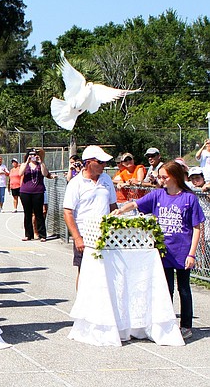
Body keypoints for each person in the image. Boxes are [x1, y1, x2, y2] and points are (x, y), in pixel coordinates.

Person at [112, 161, 204, 340]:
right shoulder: (158, 195)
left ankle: (186, 325)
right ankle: (166, 323)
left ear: (175, 177)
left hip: (183, 251)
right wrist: (121, 210)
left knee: (183, 289)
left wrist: (192, 253)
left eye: (164, 177)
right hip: (163, 251)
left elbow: (197, 227)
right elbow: (137, 204)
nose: (161, 180)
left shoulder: (189, 198)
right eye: (160, 176)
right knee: (165, 288)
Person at [62, 146, 117, 287]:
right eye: (100, 162)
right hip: (84, 235)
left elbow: (113, 207)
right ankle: (81, 304)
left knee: (105, 272)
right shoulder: (76, 183)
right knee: (84, 271)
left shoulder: (106, 180)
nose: (104, 165)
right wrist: (77, 238)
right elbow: (68, 212)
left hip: (105, 234)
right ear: (88, 163)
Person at [19, 148, 49, 241]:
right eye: (31, 154)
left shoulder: (40, 165)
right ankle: (28, 234)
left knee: (39, 213)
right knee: (27, 214)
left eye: (34, 154)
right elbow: (20, 173)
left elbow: (45, 173)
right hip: (25, 192)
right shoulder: (25, 165)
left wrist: (41, 162)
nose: (33, 156)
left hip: (38, 192)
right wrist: (27, 162)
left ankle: (42, 235)